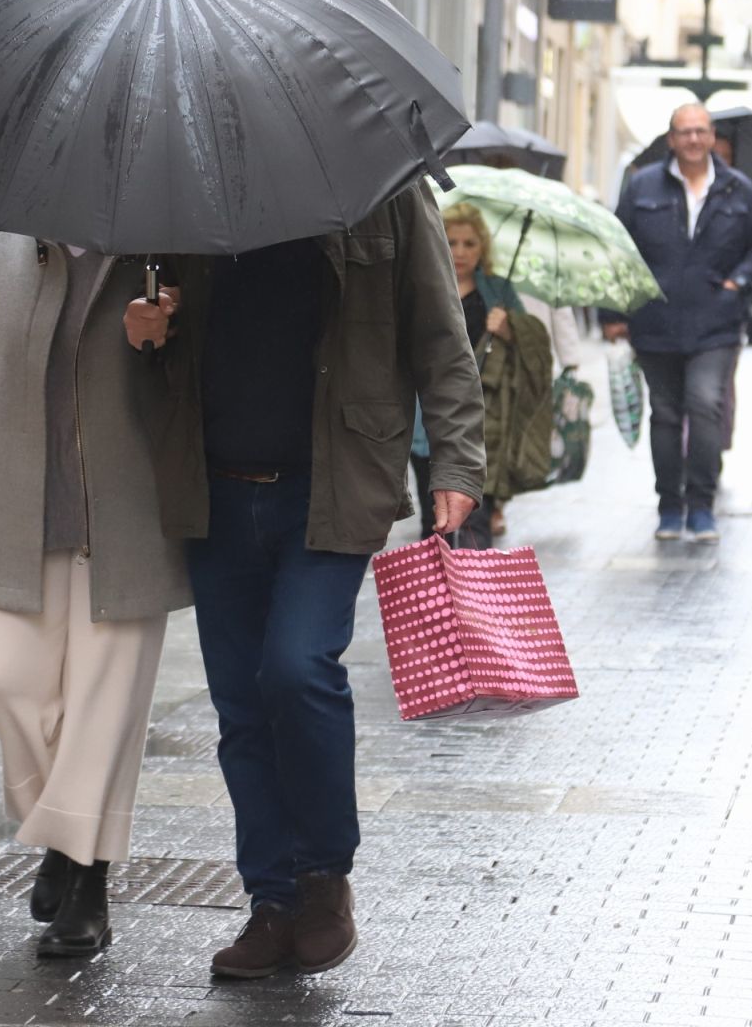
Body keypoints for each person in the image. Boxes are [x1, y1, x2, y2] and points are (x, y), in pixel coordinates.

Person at [124, 180, 485, 980]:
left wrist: (457, 462)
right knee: (243, 710)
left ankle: (324, 877)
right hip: (214, 487)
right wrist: (145, 332)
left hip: (332, 484)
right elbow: (160, 352)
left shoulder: (384, 188)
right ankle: (272, 901)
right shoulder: (186, 193)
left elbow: (439, 334)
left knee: (297, 670)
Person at [0, 237, 191, 960]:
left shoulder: (162, 244)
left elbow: (205, 382)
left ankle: (87, 881)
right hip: (18, 516)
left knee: (102, 707)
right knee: (3, 677)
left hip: (127, 523)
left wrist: (162, 339)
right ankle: (62, 836)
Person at [600, 103, 752, 543]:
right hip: (655, 319)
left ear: (712, 137)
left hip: (716, 322)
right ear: (672, 139)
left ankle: (701, 505)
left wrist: (739, 282)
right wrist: (613, 313)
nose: (693, 139)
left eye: (701, 131)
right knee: (667, 414)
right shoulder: (642, 187)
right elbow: (618, 250)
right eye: (684, 132)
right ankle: (669, 507)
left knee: (705, 404)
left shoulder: (738, 189)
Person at [409, 203, 551, 543]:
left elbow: (534, 351)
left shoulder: (498, 291)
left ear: (482, 247)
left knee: (476, 515)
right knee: (434, 518)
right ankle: (441, 591)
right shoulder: (423, 285)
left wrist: (509, 329)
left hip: (483, 420)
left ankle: (475, 590)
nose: (459, 252)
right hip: (424, 417)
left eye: (469, 243)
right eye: (452, 241)